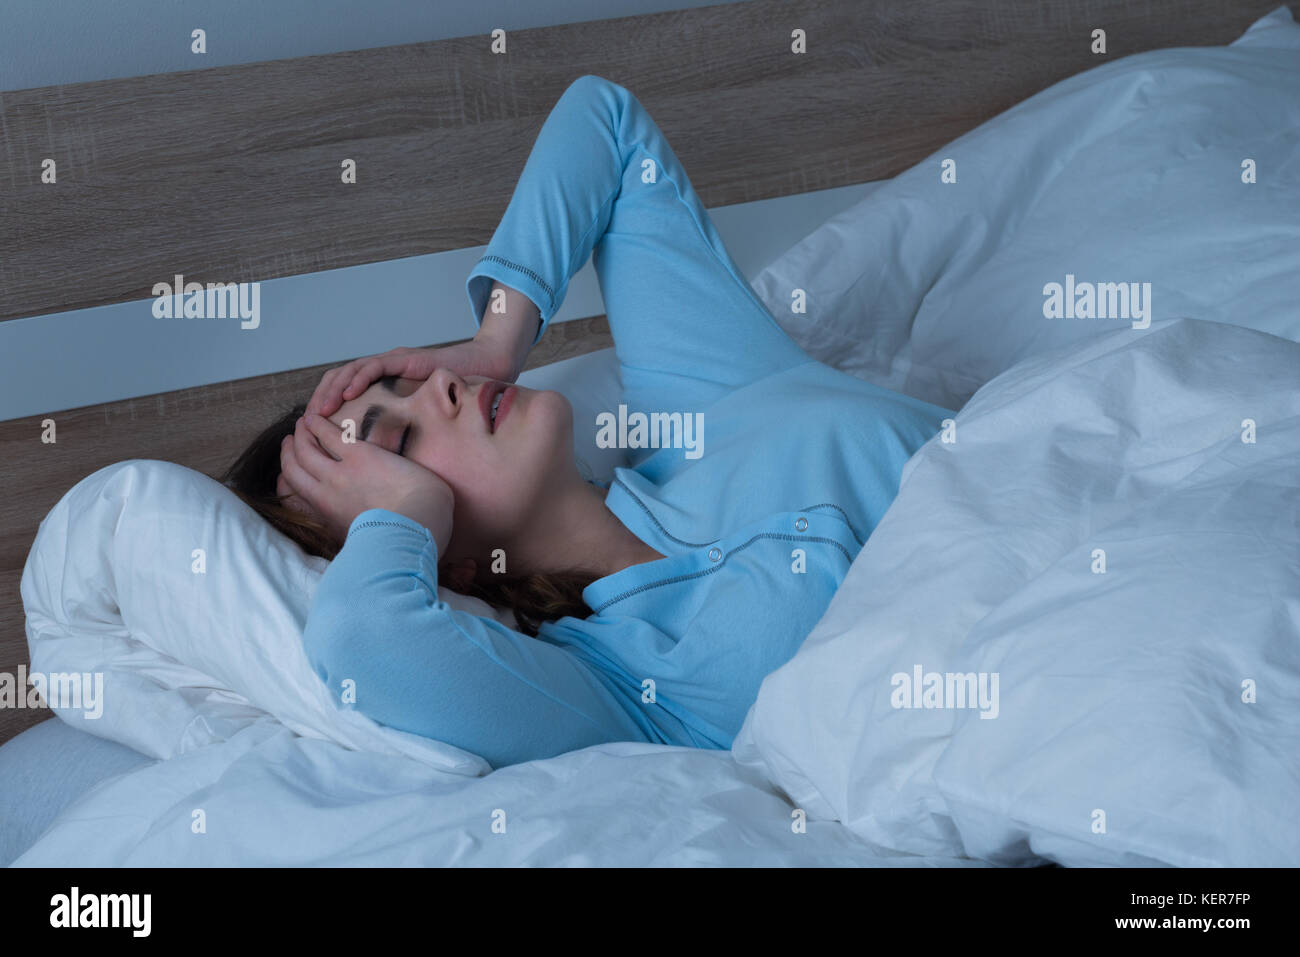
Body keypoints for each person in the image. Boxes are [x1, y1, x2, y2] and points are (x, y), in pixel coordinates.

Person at [224, 75, 954, 770]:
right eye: (400, 443)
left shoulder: (702, 402)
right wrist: (407, 515)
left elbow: (602, 120)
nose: (442, 385)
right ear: (445, 557)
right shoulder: (610, 688)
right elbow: (361, 638)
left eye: (410, 383)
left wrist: (495, 343)